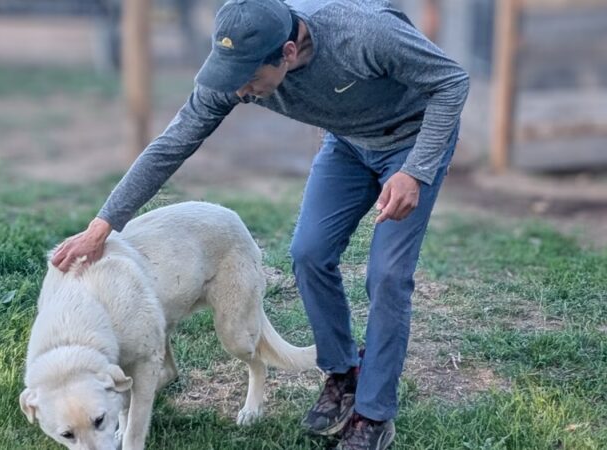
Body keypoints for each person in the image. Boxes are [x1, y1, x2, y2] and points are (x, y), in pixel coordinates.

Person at [52, 0, 469, 448]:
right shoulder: (236, 75)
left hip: (411, 140)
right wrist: (104, 224)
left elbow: (452, 81)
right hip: (348, 144)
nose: (240, 91)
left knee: (387, 275)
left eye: (251, 79)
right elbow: (172, 143)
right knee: (308, 253)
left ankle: (374, 414)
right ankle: (343, 370)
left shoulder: (365, 34)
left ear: (288, 52)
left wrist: (416, 170)